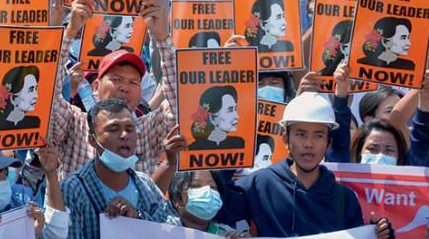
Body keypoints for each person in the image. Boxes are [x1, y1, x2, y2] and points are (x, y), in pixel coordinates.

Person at [48, 0, 178, 174]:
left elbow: (179, 104)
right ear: (96, 86)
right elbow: (48, 95)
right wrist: (69, 32)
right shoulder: (75, 123)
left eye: (133, 82)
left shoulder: (147, 128)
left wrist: (163, 37)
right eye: (116, 80)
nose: (125, 87)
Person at [216, 92, 394, 237]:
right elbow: (218, 213)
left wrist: (378, 234)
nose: (309, 143)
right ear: (286, 139)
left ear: (328, 143)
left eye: (318, 135)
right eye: (301, 134)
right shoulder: (257, 185)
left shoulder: (345, 199)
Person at [60, 99, 181, 238]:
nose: (124, 135)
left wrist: (138, 220)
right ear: (93, 140)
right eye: (113, 129)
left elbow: (173, 229)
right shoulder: (73, 188)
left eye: (130, 129)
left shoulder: (144, 184)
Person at [168, 170, 238, 235]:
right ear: (176, 200)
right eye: (195, 186)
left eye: (212, 187)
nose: (207, 192)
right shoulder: (164, 230)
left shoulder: (226, 234)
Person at [188, 85, 244, 150]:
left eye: (235, 109)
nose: (237, 116)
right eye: (230, 110)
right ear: (213, 118)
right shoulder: (194, 148)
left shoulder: (239, 143)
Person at [0, 66, 41, 131]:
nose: (36, 95)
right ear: (14, 99)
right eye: (31, 90)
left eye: (36, 88)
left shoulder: (35, 122)